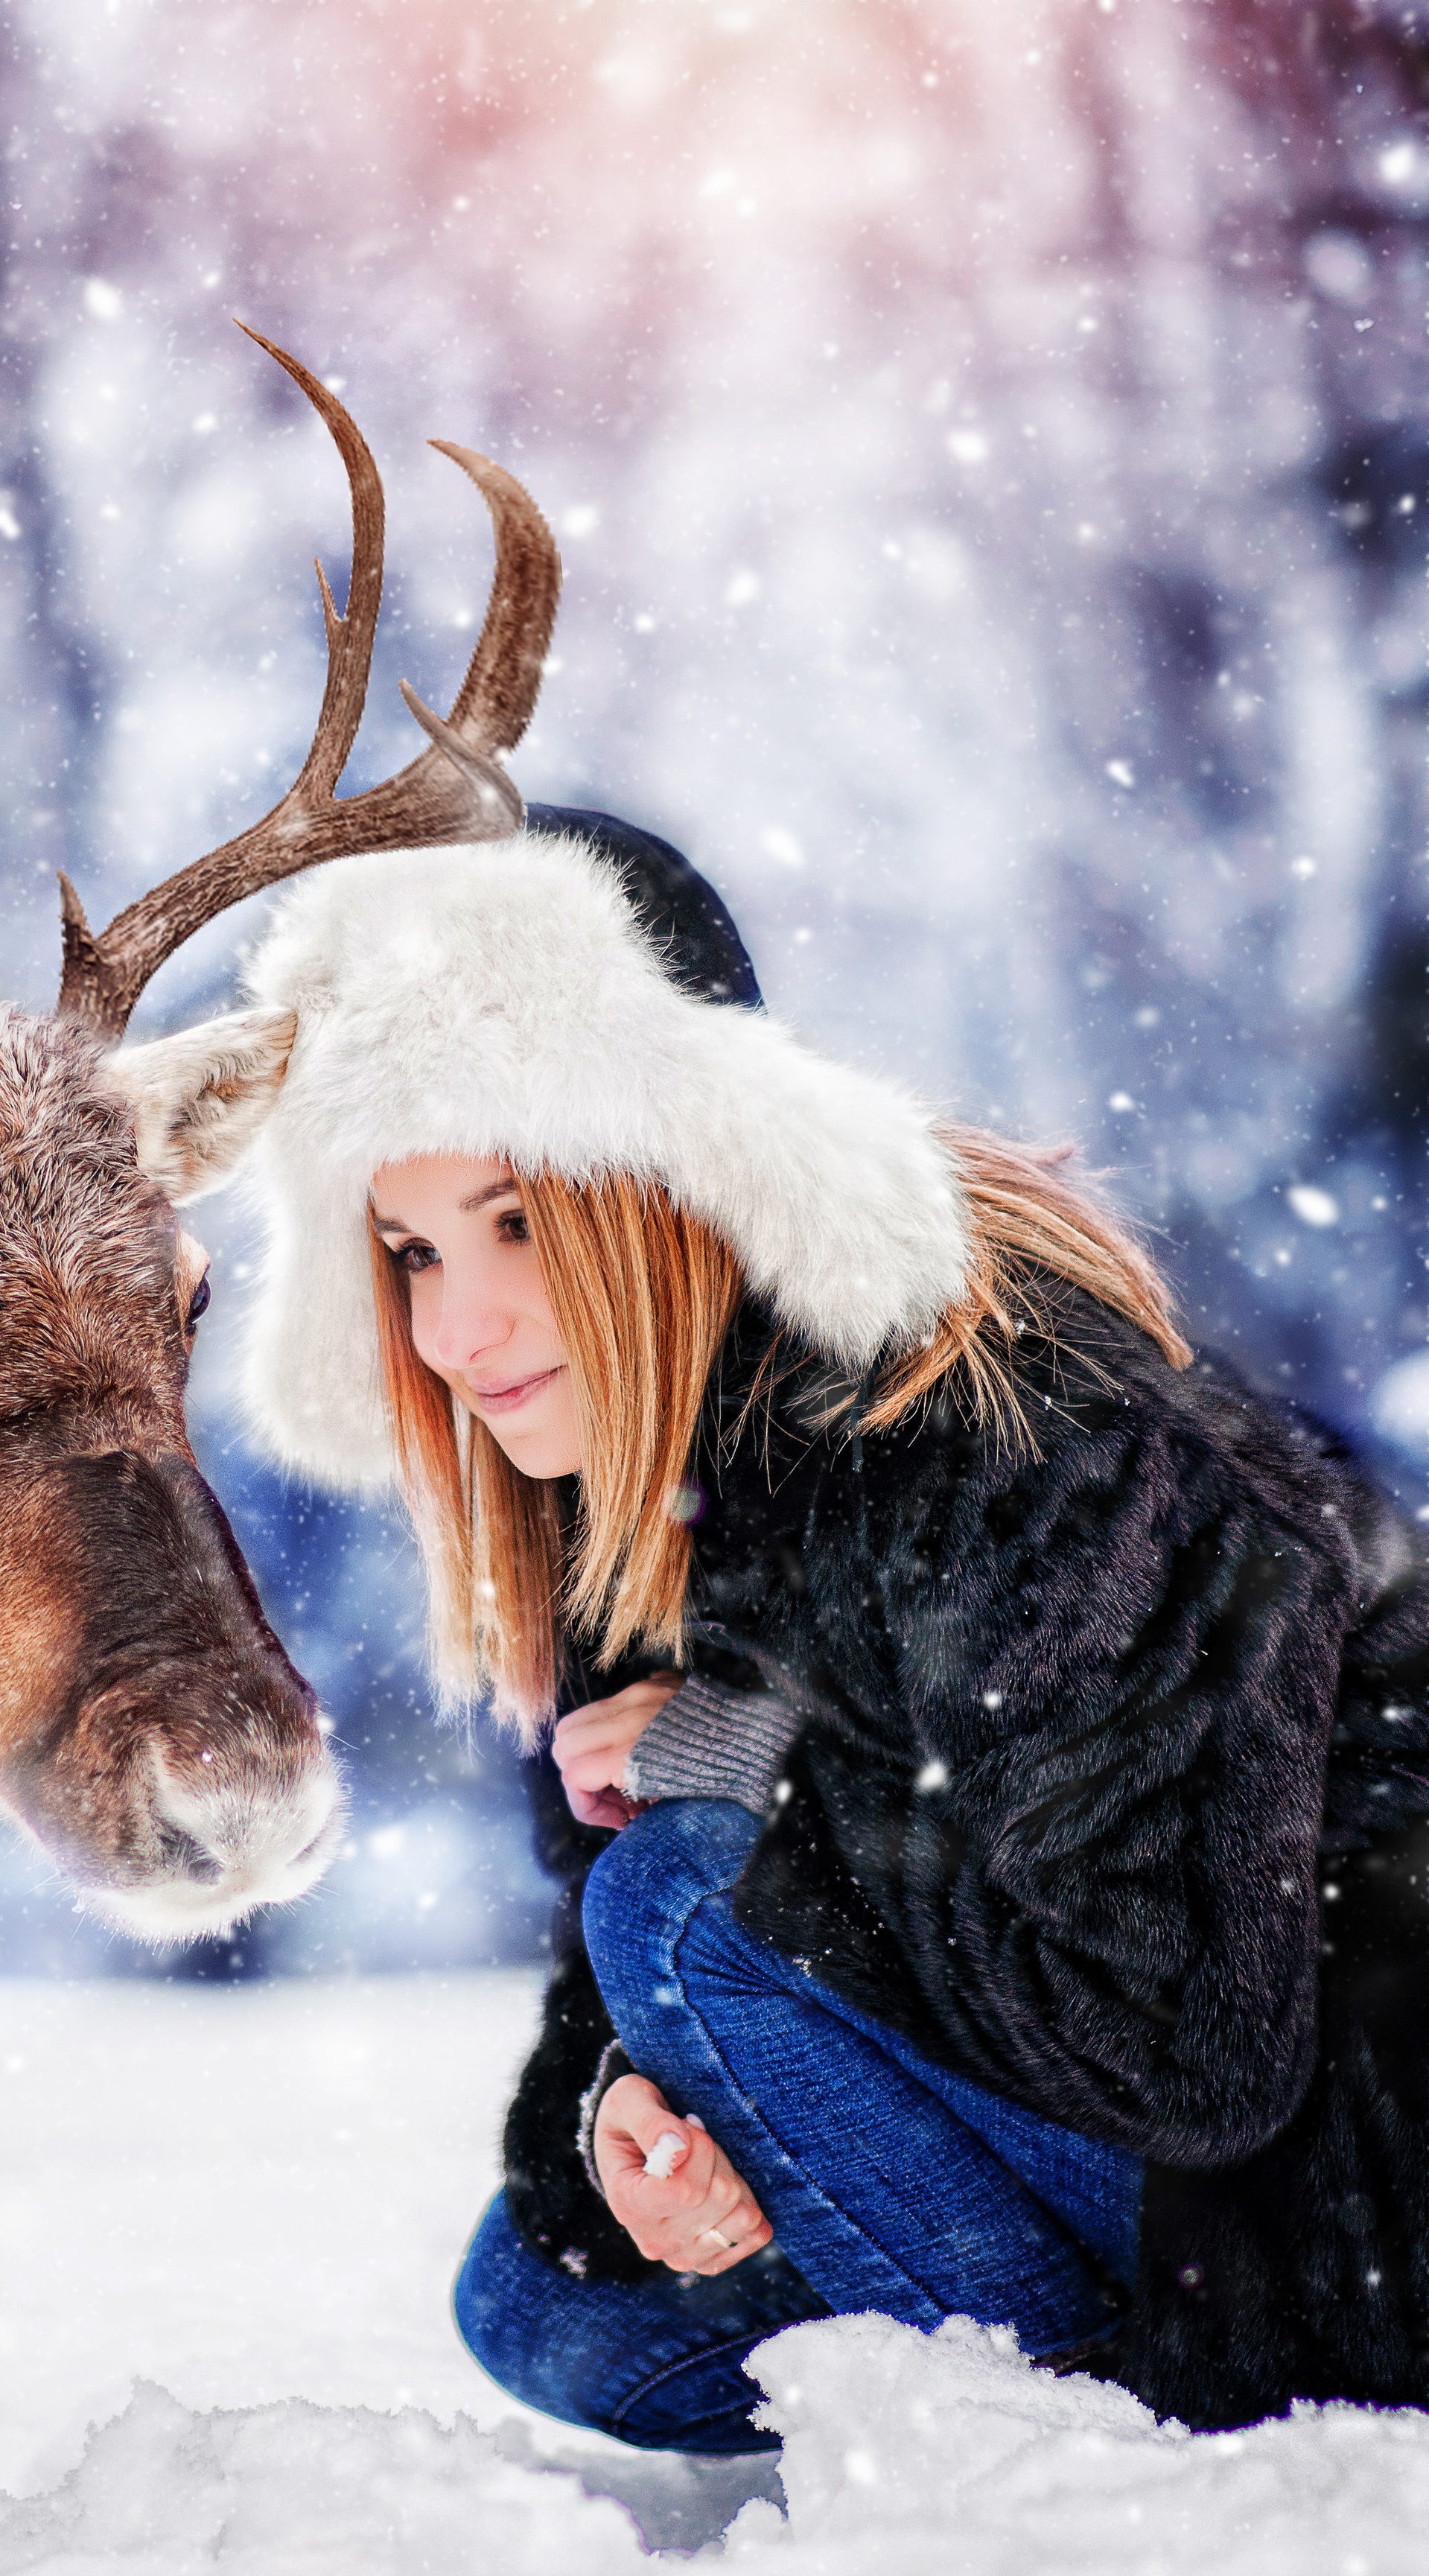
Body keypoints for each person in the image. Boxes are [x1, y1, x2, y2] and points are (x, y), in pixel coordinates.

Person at [228, 801, 1429, 2446]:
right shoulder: (631, 1469)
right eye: (410, 1248)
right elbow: (624, 1971)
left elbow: (1184, 2036)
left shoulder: (1020, 1434)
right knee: (540, 2293)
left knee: (681, 1889)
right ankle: (1014, 2390)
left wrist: (747, 1763)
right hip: (1134, 2140)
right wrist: (630, 2135)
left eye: (514, 1221)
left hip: (1341, 2201)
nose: (458, 1323)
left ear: (679, 1177)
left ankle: (1093, 2450)